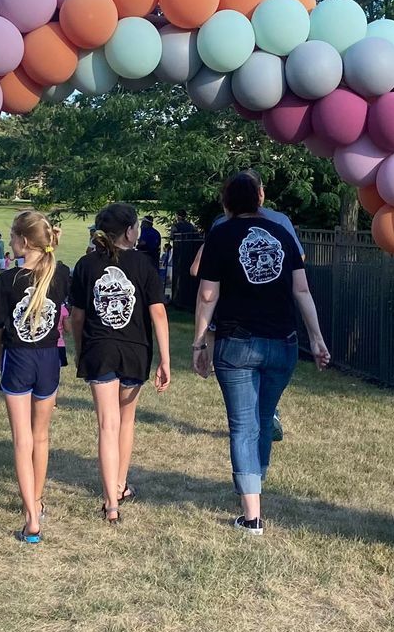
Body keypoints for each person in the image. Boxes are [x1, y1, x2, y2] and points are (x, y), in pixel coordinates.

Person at [192, 170, 331, 535]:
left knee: (243, 426)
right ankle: (254, 486)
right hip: (281, 341)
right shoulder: (283, 234)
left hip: (236, 343)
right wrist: (316, 338)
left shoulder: (221, 234)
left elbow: (208, 294)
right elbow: (302, 291)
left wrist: (199, 341)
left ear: (226, 202)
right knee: (263, 421)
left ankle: (251, 513)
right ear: (260, 198)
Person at [70, 202, 171, 523]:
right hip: (135, 351)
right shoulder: (144, 265)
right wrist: (166, 360)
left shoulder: (86, 265)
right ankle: (119, 485)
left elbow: (76, 316)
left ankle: (111, 501)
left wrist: (80, 349)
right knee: (125, 423)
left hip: (99, 351)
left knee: (106, 426)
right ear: (130, 232)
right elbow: (158, 312)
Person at [0, 209, 69, 544]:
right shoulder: (61, 275)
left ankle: (31, 517)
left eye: (14, 236)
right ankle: (39, 501)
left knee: (22, 440)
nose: (12, 241)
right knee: (41, 437)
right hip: (48, 361)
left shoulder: (7, 280)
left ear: (23, 241)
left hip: (18, 359)